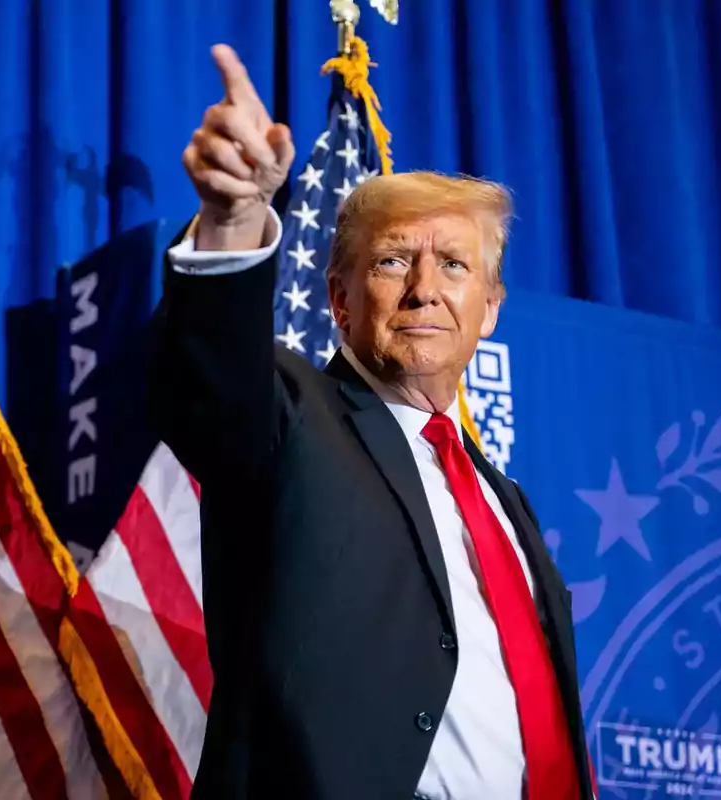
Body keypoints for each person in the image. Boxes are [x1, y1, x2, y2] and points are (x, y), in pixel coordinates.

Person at [147, 44, 595, 799]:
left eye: (454, 265)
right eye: (392, 262)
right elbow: (211, 389)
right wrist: (234, 218)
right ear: (340, 301)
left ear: (489, 310)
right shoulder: (294, 417)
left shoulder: (504, 502)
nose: (425, 290)